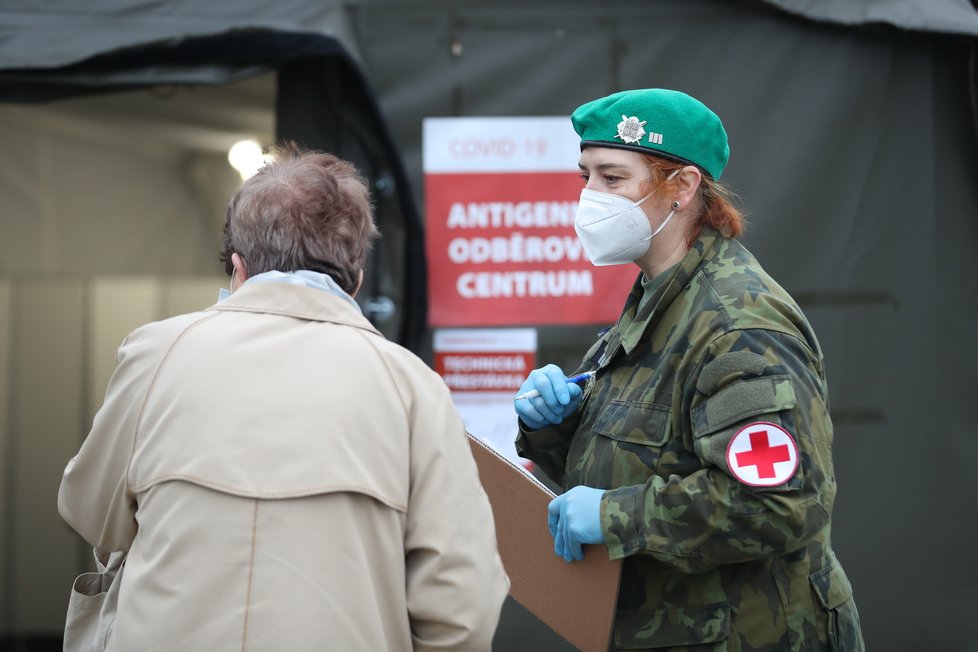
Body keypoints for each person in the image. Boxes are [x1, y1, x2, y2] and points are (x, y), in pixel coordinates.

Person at [58, 144, 509, 651]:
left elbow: (91, 512)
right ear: (356, 281)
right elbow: (462, 603)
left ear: (238, 269)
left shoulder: (156, 352)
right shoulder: (411, 385)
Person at [514, 89, 864, 650]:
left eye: (612, 178)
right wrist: (553, 427)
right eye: (586, 176)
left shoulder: (736, 326)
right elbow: (636, 461)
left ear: (681, 187)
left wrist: (615, 516)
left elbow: (780, 504)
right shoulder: (658, 301)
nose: (589, 197)